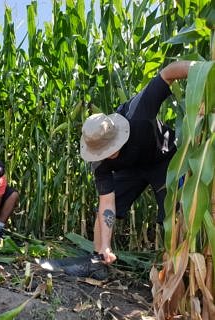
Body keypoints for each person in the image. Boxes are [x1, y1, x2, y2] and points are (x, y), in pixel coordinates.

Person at [78, 60, 192, 274]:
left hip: (163, 160)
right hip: (130, 169)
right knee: (100, 215)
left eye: (110, 148)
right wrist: (106, 245)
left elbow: (167, 73)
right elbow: (107, 202)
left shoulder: (138, 113)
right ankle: (98, 261)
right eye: (102, 152)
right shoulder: (99, 160)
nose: (107, 154)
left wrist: (202, 70)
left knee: (174, 212)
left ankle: (178, 271)